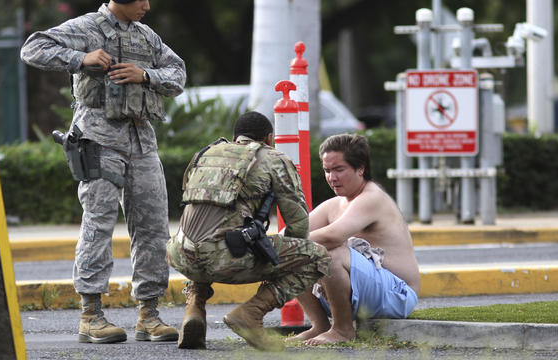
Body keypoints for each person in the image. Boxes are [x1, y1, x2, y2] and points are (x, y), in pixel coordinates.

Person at [20, 0, 185, 344]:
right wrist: (82, 59)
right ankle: (91, 315)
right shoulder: (87, 27)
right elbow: (33, 48)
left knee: (154, 227)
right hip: (98, 140)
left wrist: (147, 75)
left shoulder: (146, 36)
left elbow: (178, 74)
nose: (147, 5)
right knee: (98, 224)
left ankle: (149, 315)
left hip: (141, 142)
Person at [166, 111, 331, 351]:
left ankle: (194, 308)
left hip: (179, 254)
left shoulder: (205, 154)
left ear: (235, 139)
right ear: (269, 138)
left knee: (204, 236)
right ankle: (251, 313)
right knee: (318, 256)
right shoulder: (273, 158)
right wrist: (283, 261)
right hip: (225, 258)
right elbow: (298, 224)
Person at [289, 134, 420, 345]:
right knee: (292, 253)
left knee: (330, 250)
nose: (332, 177)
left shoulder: (372, 197)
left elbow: (333, 236)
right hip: (366, 293)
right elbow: (291, 232)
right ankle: (320, 326)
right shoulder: (335, 204)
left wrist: (284, 245)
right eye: (327, 171)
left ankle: (342, 330)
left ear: (360, 168)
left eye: (339, 169)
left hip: (397, 294)